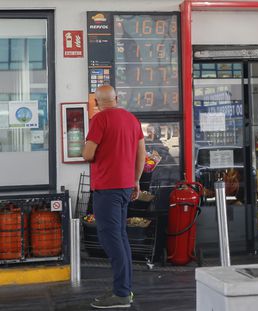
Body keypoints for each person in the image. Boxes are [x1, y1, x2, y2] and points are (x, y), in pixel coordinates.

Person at [82, 85, 146, 309]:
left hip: (107, 189)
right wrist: (136, 180)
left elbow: (88, 154)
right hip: (125, 187)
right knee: (120, 238)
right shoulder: (131, 119)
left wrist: (85, 150)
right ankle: (125, 289)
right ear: (117, 98)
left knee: (111, 239)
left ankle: (121, 293)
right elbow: (142, 153)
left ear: (97, 102)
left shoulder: (99, 120)